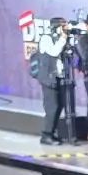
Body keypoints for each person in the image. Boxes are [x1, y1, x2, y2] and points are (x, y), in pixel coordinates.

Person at [34, 16, 76, 145]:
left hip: (60, 77)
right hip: (48, 78)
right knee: (52, 107)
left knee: (60, 105)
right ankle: (46, 135)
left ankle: (53, 132)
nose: (65, 29)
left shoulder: (62, 39)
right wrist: (63, 39)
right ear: (55, 27)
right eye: (62, 27)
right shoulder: (46, 38)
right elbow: (53, 52)